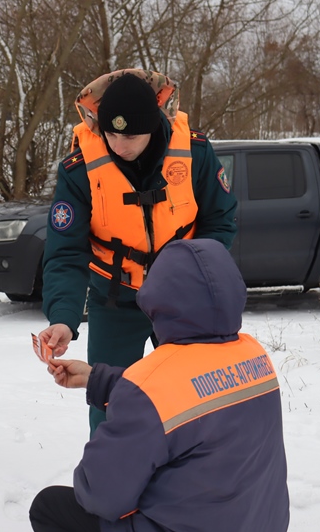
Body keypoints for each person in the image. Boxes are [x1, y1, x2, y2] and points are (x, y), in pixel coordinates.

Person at [30, 238, 289, 532]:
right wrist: (98, 380)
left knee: (48, 508)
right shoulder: (254, 355)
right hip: (262, 523)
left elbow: (100, 495)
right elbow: (185, 393)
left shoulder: (151, 387)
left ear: (157, 300)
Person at [37, 69, 237, 433]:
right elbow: (66, 251)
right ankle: (111, 480)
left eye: (130, 135)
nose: (119, 145)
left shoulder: (194, 153)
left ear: (153, 126)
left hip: (184, 302)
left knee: (190, 398)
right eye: (111, 133)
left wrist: (199, 280)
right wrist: (63, 317)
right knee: (108, 402)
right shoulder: (80, 168)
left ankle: (185, 478)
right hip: (113, 300)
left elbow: (220, 222)